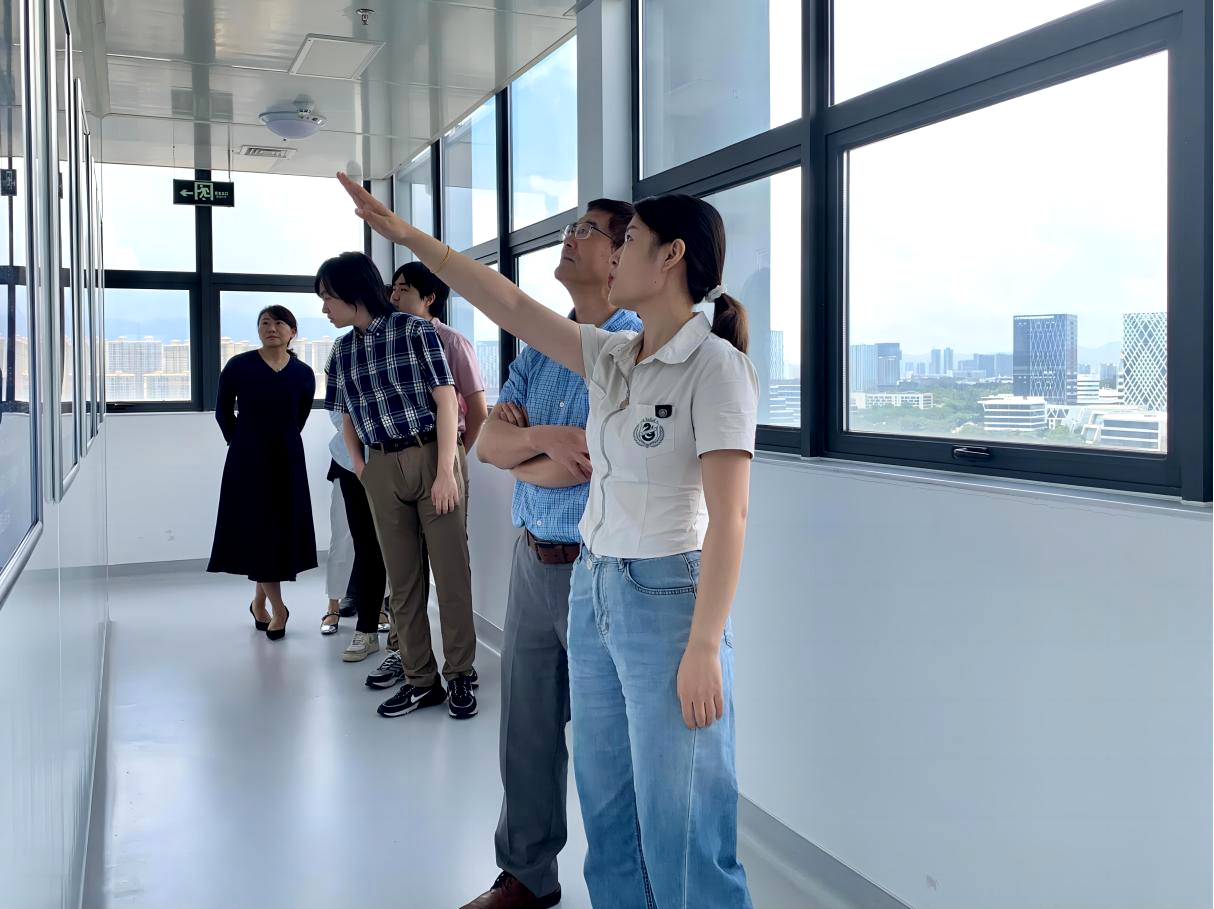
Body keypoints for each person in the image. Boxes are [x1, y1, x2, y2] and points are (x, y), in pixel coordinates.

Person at [338, 173, 757, 908]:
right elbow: (508, 303)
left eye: (628, 240)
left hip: (667, 595)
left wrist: (703, 645)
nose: (614, 252)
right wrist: (406, 237)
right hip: (594, 585)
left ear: (671, 256)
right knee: (607, 800)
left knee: (682, 815)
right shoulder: (613, 355)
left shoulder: (715, 366)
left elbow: (732, 517)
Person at [458, 201, 640, 909]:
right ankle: (527, 876)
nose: (570, 237)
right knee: (527, 732)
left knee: (606, 745)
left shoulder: (630, 346)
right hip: (532, 558)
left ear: (622, 253)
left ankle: (628, 886)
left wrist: (531, 449)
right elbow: (488, 445)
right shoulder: (539, 348)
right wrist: (541, 440)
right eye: (570, 227)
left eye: (586, 230)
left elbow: (582, 464)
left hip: (597, 569)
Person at [318, 251, 479, 720]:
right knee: (403, 582)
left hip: (432, 455)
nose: (324, 307)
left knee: (451, 573)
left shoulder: (414, 331)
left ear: (353, 293)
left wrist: (446, 469)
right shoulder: (341, 351)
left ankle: (460, 674)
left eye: (328, 297)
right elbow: (346, 414)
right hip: (381, 466)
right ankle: (420, 680)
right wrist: (361, 468)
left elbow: (446, 399)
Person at [359, 262, 490, 686]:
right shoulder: (381, 340)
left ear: (430, 298)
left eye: (404, 289)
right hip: (394, 463)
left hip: (441, 458)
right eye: (393, 288)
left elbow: (477, 410)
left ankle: (460, 670)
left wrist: (449, 461)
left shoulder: (452, 342)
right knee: (402, 571)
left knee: (449, 569)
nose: (394, 296)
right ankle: (405, 655)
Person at [208, 304, 318, 641]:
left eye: (279, 323)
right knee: (258, 528)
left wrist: (282, 440)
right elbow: (222, 412)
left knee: (277, 531)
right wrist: (242, 442)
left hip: (288, 457)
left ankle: (259, 604)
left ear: (292, 332)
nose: (271, 328)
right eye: (265, 323)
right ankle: (279, 609)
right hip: (247, 459)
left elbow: (300, 416)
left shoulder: (303, 373)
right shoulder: (239, 366)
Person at [321, 409, 392, 661]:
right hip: (347, 462)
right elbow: (337, 414)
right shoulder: (339, 377)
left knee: (383, 540)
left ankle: (378, 608)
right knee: (342, 537)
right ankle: (333, 606)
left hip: (386, 460)